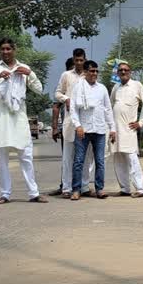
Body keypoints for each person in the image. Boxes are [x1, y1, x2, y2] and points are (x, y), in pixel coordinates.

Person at [0, 37, 48, 204]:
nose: (5, 52)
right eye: (2, 49)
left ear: (14, 50)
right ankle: (4, 194)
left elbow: (39, 89)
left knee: (26, 156)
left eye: (8, 49)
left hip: (19, 119)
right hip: (1, 120)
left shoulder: (23, 68)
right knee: (2, 159)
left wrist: (29, 74)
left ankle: (34, 193)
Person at [69, 61, 115, 200]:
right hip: (83, 130)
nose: (94, 73)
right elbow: (73, 109)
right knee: (78, 161)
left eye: (96, 71)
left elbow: (107, 109)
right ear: (85, 72)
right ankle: (76, 189)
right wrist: (78, 126)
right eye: (91, 71)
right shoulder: (78, 87)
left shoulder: (102, 88)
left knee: (100, 161)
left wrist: (112, 128)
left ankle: (99, 189)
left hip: (100, 129)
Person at [54, 49, 94, 197]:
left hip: (86, 121)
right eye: (76, 60)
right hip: (70, 121)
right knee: (68, 156)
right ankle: (66, 187)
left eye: (81, 60)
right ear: (73, 60)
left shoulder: (89, 76)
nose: (78, 63)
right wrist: (67, 99)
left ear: (85, 60)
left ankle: (84, 186)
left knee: (84, 155)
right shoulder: (66, 75)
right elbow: (57, 93)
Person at [111, 61, 143, 198]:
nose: (123, 72)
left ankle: (140, 189)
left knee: (132, 159)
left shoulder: (137, 85)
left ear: (130, 72)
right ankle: (125, 188)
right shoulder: (115, 88)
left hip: (129, 130)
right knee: (118, 158)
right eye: (121, 70)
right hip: (116, 130)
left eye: (126, 70)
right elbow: (110, 107)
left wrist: (141, 122)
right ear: (117, 73)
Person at [50, 57, 74, 196]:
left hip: (84, 127)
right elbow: (55, 107)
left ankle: (79, 185)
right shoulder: (64, 83)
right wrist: (54, 128)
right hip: (67, 126)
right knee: (67, 157)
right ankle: (64, 185)